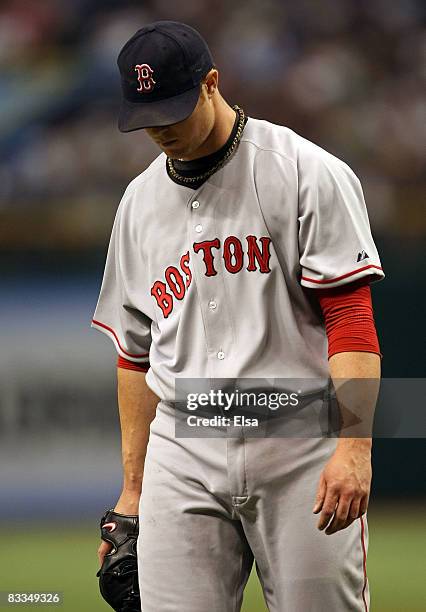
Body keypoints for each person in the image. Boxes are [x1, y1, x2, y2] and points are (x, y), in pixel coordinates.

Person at [92, 20, 383, 611]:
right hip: (183, 444)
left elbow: (351, 319)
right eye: (146, 118)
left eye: (172, 110)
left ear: (211, 84)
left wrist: (354, 448)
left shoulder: (306, 171)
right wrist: (133, 491)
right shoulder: (137, 204)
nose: (160, 130)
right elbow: (134, 355)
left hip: (298, 438)